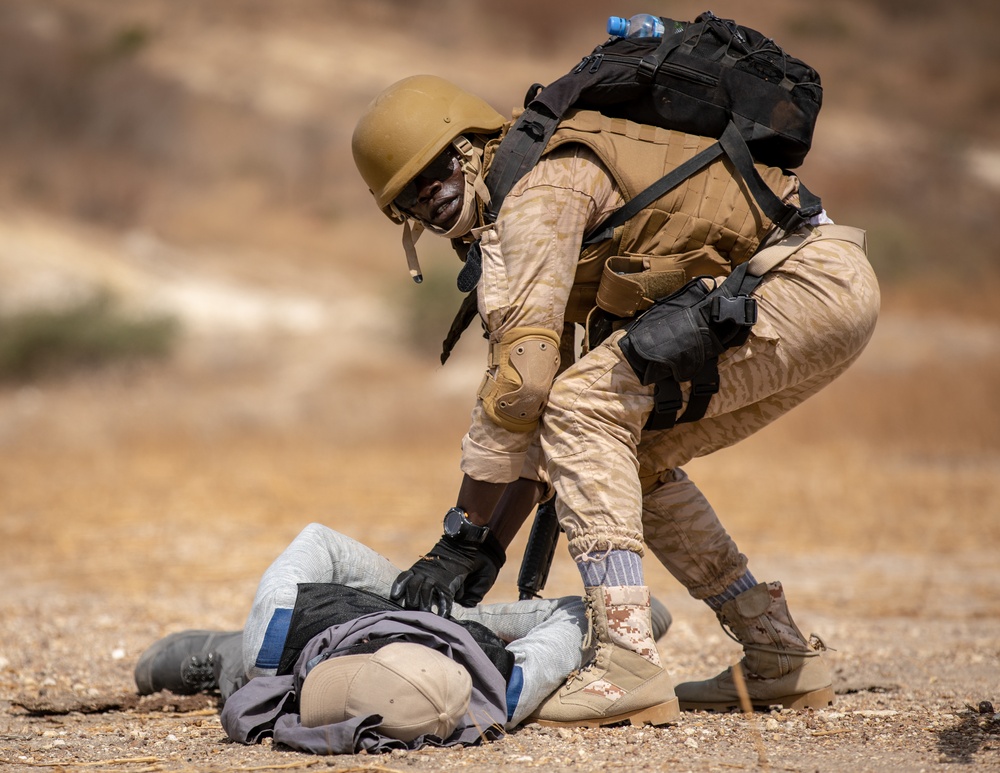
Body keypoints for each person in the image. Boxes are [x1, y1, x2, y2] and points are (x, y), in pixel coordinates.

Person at [349, 75, 880, 725]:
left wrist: (459, 536)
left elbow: (523, 387)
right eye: (407, 197)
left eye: (430, 172)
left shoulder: (538, 192)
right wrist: (486, 546)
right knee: (623, 447)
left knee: (582, 405)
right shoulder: (528, 188)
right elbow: (542, 423)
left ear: (467, 148)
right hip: (817, 292)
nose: (426, 199)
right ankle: (779, 654)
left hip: (802, 288)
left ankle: (626, 658)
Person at [134, 522, 674, 752]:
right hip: (343, 628)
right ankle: (229, 657)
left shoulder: (500, 691)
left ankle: (229, 674)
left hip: (434, 636)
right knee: (253, 660)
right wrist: (417, 591)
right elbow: (319, 541)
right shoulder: (500, 692)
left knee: (255, 679)